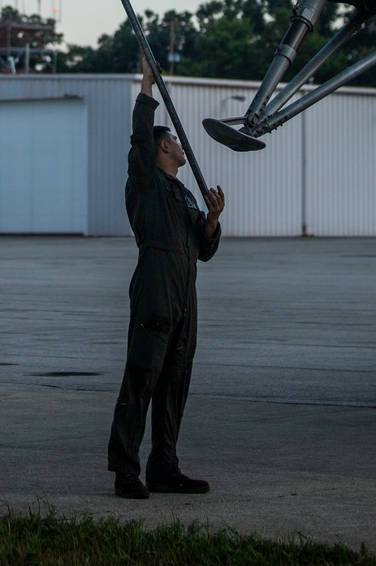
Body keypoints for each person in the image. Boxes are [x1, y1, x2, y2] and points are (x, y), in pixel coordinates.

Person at [107, 57, 225, 499]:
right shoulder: (145, 183)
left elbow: (205, 249)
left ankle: (164, 467)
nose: (178, 143)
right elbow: (140, 138)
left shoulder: (183, 193)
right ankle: (125, 471)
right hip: (156, 287)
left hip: (184, 292)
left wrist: (212, 220)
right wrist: (147, 85)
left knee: (175, 379)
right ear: (161, 149)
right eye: (172, 139)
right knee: (142, 377)